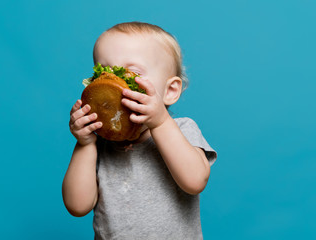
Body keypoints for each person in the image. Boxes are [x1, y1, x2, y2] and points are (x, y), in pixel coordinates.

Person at [62, 21, 217, 239]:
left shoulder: (183, 129)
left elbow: (195, 181)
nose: (114, 83)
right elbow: (77, 206)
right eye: (102, 73)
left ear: (170, 91)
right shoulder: (100, 145)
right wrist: (84, 144)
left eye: (130, 72)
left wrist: (161, 122)